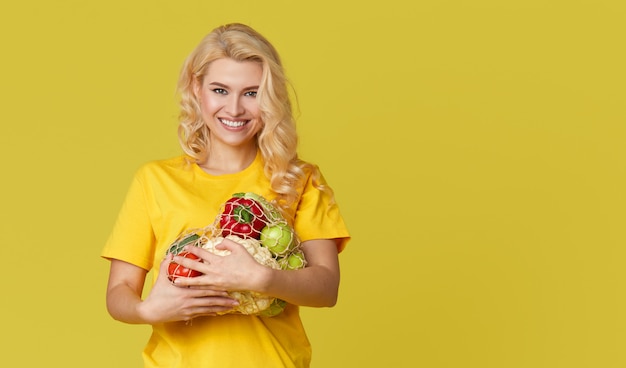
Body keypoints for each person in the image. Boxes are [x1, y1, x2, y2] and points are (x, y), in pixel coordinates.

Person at [101, 23, 350, 368]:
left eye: (251, 93)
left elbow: (326, 288)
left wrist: (261, 278)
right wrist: (148, 309)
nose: (234, 109)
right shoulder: (154, 180)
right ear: (196, 89)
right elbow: (119, 293)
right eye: (220, 90)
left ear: (271, 97)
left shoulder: (298, 179)